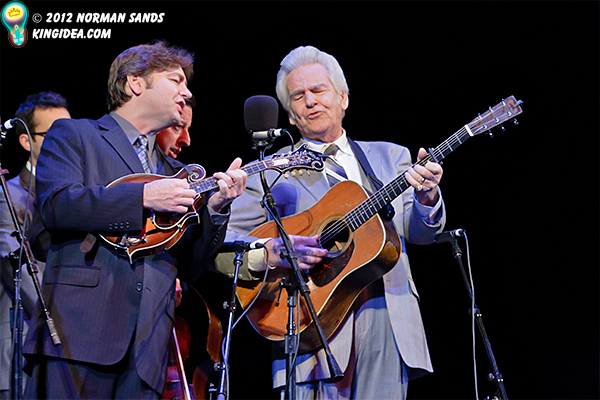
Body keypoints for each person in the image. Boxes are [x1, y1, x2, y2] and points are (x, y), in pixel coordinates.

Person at [21, 41, 247, 399]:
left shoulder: (174, 171)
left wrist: (217, 208)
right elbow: (57, 206)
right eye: (176, 80)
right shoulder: (75, 134)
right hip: (79, 337)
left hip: (147, 352)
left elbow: (190, 264)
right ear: (135, 83)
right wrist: (143, 197)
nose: (187, 92)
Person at [219, 45, 445, 399]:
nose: (310, 101)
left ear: (343, 98)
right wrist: (271, 251)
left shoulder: (391, 157)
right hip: (311, 323)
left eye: (318, 90)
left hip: (388, 316)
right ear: (290, 116)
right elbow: (224, 239)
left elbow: (419, 234)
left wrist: (427, 198)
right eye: (298, 96)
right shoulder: (270, 172)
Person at [0, 92, 71, 400]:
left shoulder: (82, 195)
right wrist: (68, 321)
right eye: (55, 134)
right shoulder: (8, 196)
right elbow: (15, 268)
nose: (67, 142)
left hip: (71, 348)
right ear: (26, 142)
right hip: (28, 346)